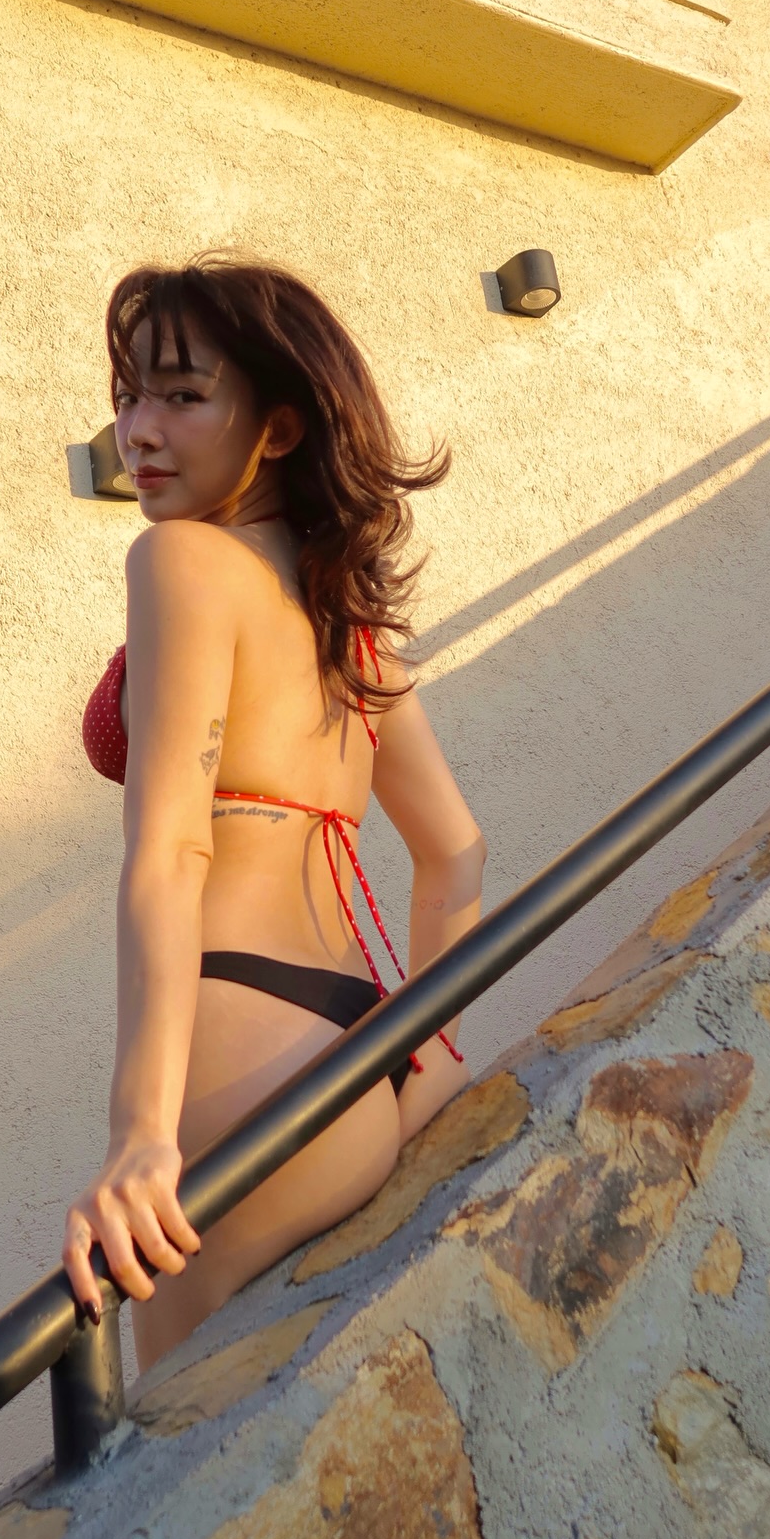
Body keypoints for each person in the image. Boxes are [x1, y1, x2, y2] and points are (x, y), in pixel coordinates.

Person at [64, 258, 485, 1371]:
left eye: (182, 395)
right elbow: (455, 852)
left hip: (240, 1057)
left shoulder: (181, 560)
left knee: (172, 1433)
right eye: (129, 395)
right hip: (366, 1055)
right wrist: (432, 1047)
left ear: (282, 428)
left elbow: (171, 849)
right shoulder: (348, 624)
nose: (138, 431)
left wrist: (140, 1135)